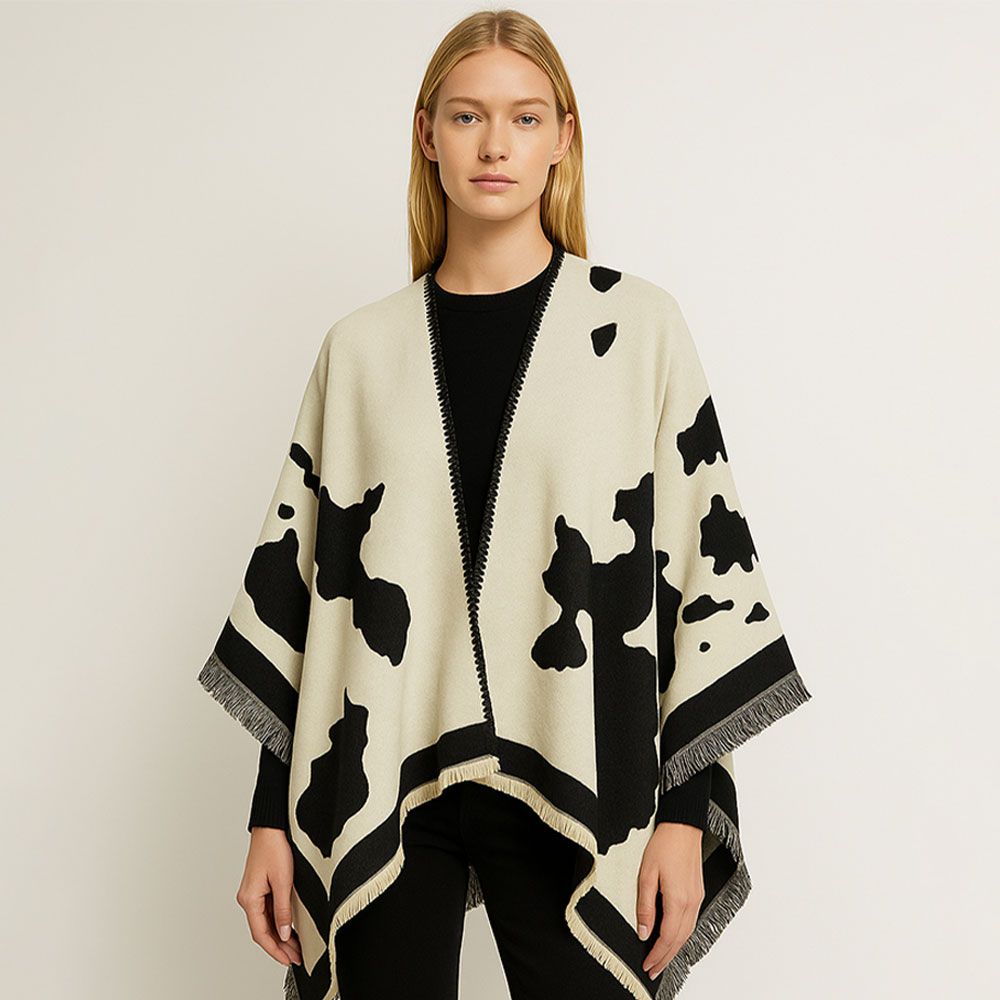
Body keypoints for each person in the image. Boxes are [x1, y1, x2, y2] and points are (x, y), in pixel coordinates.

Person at [200, 9, 811, 1000]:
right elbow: (310, 598)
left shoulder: (637, 330)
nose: (494, 145)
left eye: (525, 118)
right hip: (383, 780)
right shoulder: (361, 352)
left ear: (563, 138)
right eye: (467, 116)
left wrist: (681, 817)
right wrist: (272, 817)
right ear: (426, 134)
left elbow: (700, 576)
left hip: (585, 771)